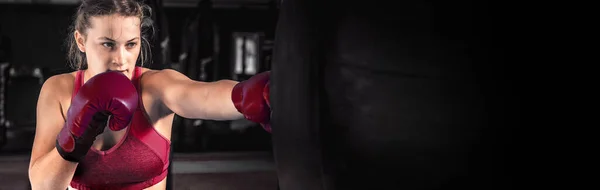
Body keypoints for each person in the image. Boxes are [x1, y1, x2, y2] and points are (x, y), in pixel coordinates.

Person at [27, 0, 271, 189]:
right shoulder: (59, 91)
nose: (121, 60)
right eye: (107, 44)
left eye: (131, 44)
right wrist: (75, 137)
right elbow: (42, 186)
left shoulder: (155, 87)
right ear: (81, 41)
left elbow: (201, 95)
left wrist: (248, 96)